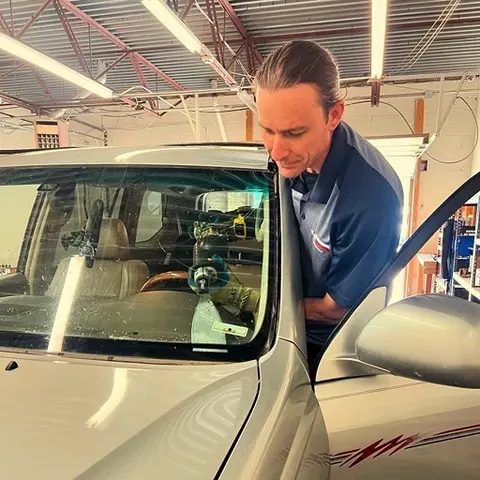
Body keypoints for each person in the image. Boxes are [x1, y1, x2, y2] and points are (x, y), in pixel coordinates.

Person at [254, 40, 404, 365]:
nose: (276, 151)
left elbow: (336, 309)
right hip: (282, 325)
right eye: (267, 130)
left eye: (293, 133)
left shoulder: (369, 198)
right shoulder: (293, 160)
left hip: (325, 355)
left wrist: (255, 302)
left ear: (333, 114)